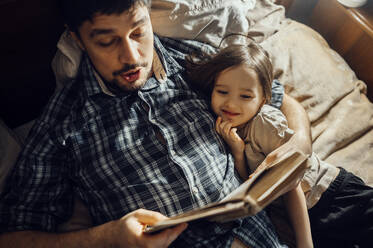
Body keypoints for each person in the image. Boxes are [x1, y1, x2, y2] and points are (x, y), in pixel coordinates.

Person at [0, 0, 312, 247]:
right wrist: (106, 238)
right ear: (77, 39)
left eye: (138, 32)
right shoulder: (63, 123)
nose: (132, 56)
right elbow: (13, 237)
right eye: (107, 42)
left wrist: (299, 143)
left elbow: (279, 98)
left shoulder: (194, 61)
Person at [187, 41, 373, 248]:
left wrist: (305, 243)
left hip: (330, 195)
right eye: (222, 92)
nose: (231, 104)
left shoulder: (264, 122)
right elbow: (249, 181)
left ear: (264, 99)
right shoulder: (228, 130)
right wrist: (238, 151)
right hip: (307, 214)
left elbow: (289, 181)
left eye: (246, 96)